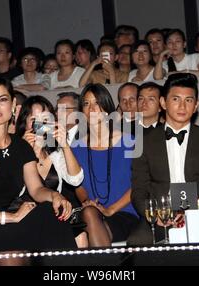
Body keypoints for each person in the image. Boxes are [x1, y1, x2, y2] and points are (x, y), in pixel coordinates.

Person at [0, 77, 76, 251]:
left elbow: (36, 189)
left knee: (49, 211)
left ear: (13, 106)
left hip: (13, 220)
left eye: (2, 99)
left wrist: (55, 196)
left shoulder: (21, 146)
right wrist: (10, 217)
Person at [128, 73, 199, 245]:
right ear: (163, 103)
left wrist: (198, 213)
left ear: (196, 105)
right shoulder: (144, 141)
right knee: (137, 243)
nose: (182, 106)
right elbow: (139, 189)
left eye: (188, 100)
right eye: (175, 99)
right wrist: (153, 214)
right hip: (160, 215)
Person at [72, 84, 139, 247]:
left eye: (96, 103)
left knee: (90, 222)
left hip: (125, 212)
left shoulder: (130, 141)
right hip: (92, 212)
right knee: (88, 215)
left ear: (107, 109)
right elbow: (77, 184)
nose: (91, 109)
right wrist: (87, 201)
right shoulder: (77, 146)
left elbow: (139, 184)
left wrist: (110, 210)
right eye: (86, 104)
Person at [16, 95, 86, 247]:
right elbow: (16, 190)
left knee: (80, 235)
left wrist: (65, 145)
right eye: (34, 120)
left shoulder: (55, 153)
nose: (40, 126)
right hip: (24, 216)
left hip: (53, 215)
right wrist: (30, 153)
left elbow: (76, 180)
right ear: (24, 124)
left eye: (45, 120)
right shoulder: (15, 151)